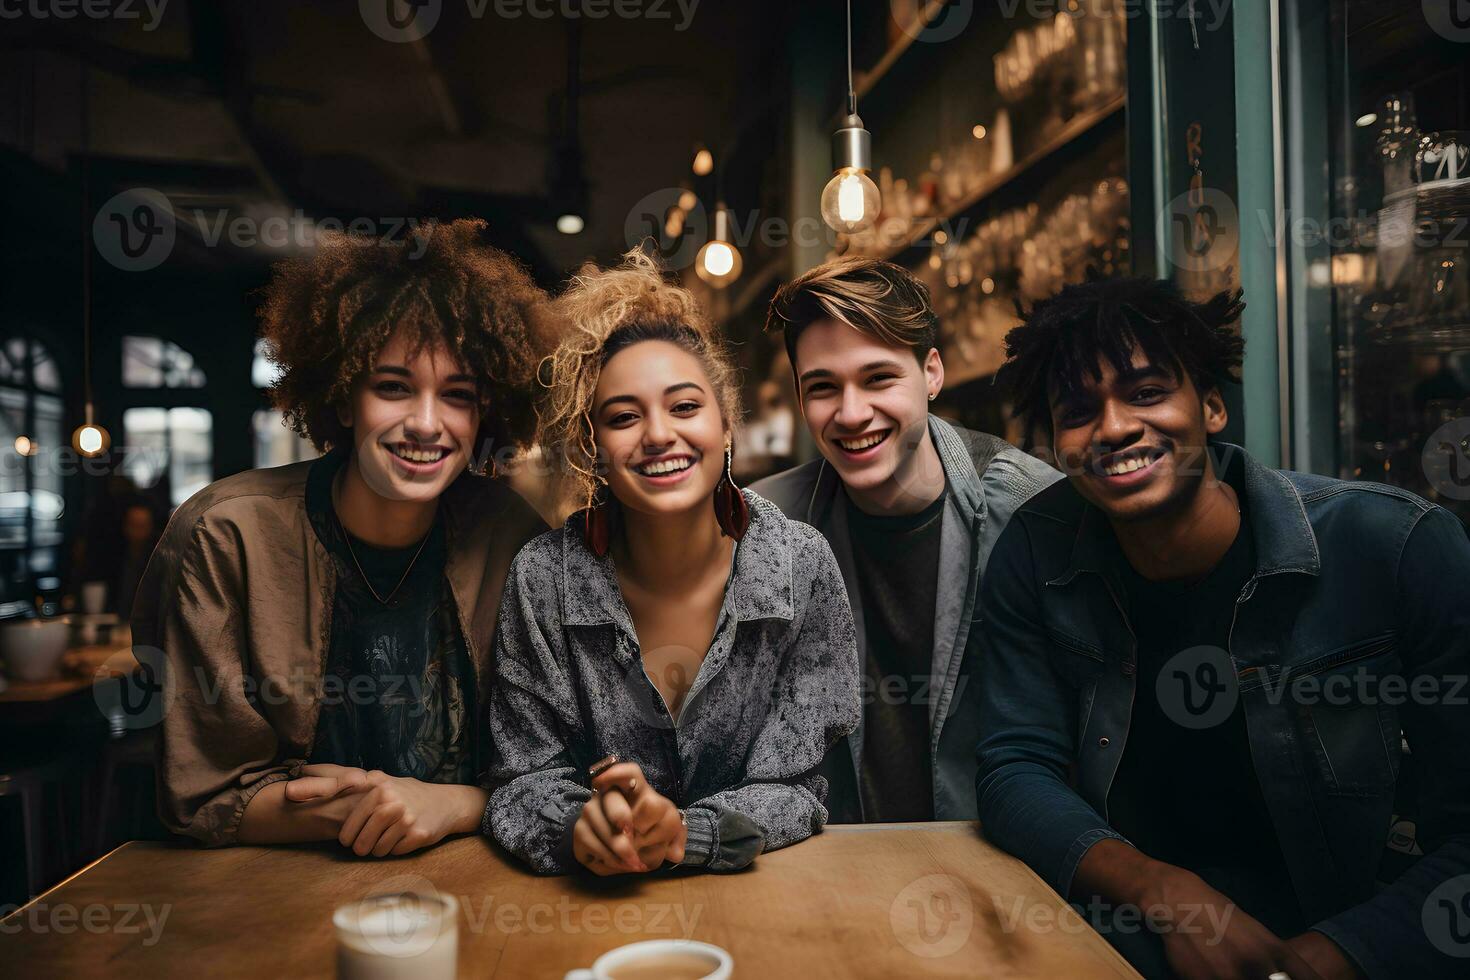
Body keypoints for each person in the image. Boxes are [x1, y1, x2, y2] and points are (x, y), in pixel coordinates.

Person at [974, 275, 1470, 979]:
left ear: (1210, 407)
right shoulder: (1036, 548)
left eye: (1146, 393)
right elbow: (1014, 767)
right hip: (1132, 941)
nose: (1114, 427)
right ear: (1057, 444)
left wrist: (1335, 956)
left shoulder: (1396, 544)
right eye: (1080, 411)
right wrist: (1164, 894)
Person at [132, 219, 547, 856]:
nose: (427, 424)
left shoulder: (510, 535)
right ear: (343, 395)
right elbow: (201, 796)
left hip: (478, 889)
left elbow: (555, 763)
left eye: (457, 395)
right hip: (266, 898)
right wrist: (371, 808)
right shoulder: (226, 535)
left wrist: (457, 803)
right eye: (393, 387)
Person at [486, 250, 860, 875]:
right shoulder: (543, 579)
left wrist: (687, 834)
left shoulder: (800, 565)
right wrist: (580, 825)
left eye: (685, 407)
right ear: (591, 449)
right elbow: (520, 779)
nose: (659, 434)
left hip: (771, 907)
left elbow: (799, 787)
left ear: (726, 425)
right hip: (591, 915)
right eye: (624, 418)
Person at [750, 256, 1059, 822]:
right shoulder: (766, 526)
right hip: (838, 869)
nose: (850, 412)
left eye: (878, 378)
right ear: (800, 399)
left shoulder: (1031, 509)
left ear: (932, 373)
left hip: (999, 863)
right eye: (823, 387)